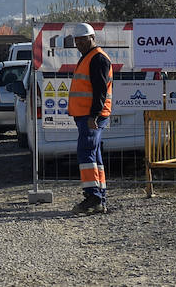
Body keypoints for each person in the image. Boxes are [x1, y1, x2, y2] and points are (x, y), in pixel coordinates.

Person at [67, 22, 112, 214]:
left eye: (82, 40)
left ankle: (93, 197)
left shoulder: (97, 59)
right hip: (87, 115)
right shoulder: (89, 58)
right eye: (76, 40)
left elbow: (100, 91)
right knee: (94, 154)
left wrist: (93, 115)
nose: (79, 44)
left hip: (92, 116)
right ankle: (98, 195)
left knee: (86, 152)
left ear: (92, 38)